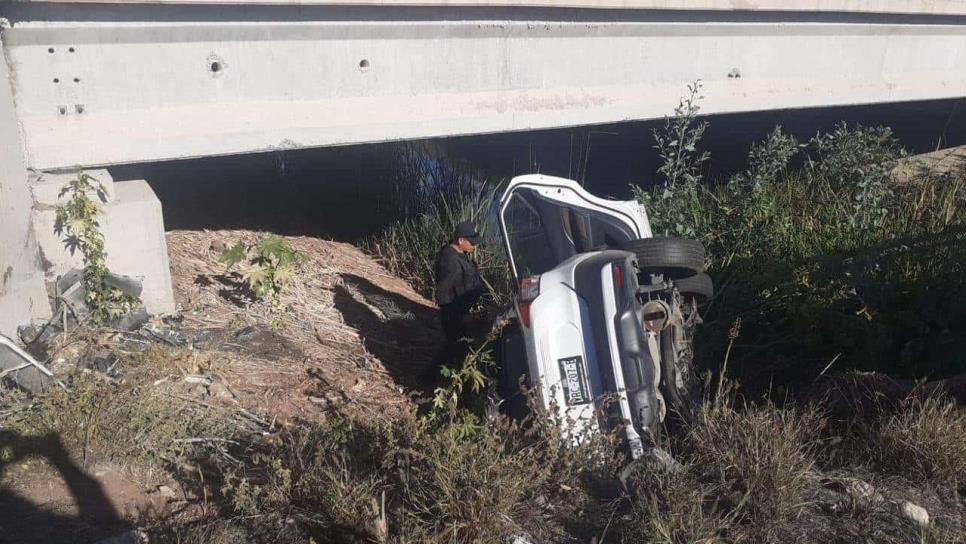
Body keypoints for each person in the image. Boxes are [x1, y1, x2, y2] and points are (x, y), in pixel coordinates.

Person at [434, 221, 484, 369]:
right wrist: (459, 316)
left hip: (462, 311)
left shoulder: (461, 253)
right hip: (455, 314)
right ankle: (428, 378)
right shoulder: (449, 262)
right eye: (472, 242)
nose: (475, 245)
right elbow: (443, 294)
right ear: (461, 240)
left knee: (460, 347)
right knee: (456, 346)